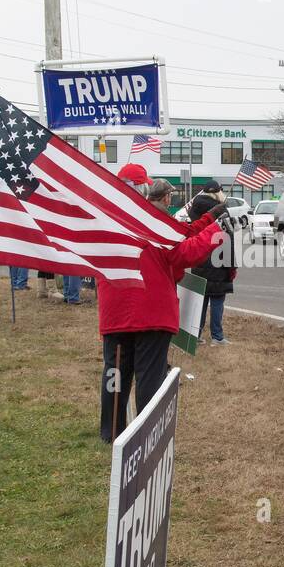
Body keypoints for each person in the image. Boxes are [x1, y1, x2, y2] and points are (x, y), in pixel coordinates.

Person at [97, 176, 226, 442]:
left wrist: (208, 220)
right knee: (149, 376)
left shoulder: (106, 221)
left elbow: (180, 237)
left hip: (116, 309)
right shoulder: (152, 224)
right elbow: (182, 253)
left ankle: (111, 432)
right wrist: (216, 230)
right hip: (151, 310)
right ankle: (146, 434)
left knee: (116, 374)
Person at [186, 182, 234, 345]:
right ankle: (217, 336)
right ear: (218, 193)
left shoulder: (194, 209)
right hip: (218, 260)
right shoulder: (221, 210)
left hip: (198, 259)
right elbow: (228, 239)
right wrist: (231, 266)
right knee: (217, 300)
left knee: (200, 299)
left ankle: (196, 334)